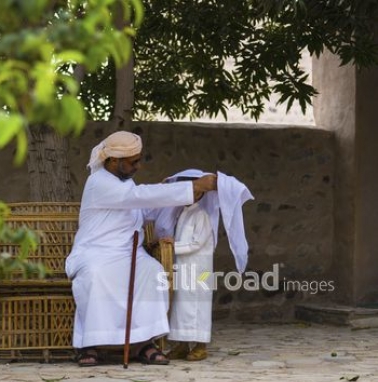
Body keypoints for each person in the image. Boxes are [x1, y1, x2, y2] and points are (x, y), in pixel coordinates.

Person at [65, 131, 217, 367]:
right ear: (113, 161)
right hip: (96, 252)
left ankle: (144, 343)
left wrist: (174, 193)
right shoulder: (98, 183)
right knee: (96, 274)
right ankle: (91, 345)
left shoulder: (125, 184)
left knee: (153, 272)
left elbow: (143, 209)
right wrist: (190, 187)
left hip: (129, 253)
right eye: (133, 162)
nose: (138, 166)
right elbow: (137, 196)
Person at [156, 169, 253, 361]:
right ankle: (182, 344)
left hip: (199, 268)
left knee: (198, 305)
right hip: (183, 266)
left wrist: (172, 246)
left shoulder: (202, 215)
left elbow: (196, 244)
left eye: (194, 191)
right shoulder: (182, 213)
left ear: (201, 194)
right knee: (181, 306)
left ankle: (201, 346)